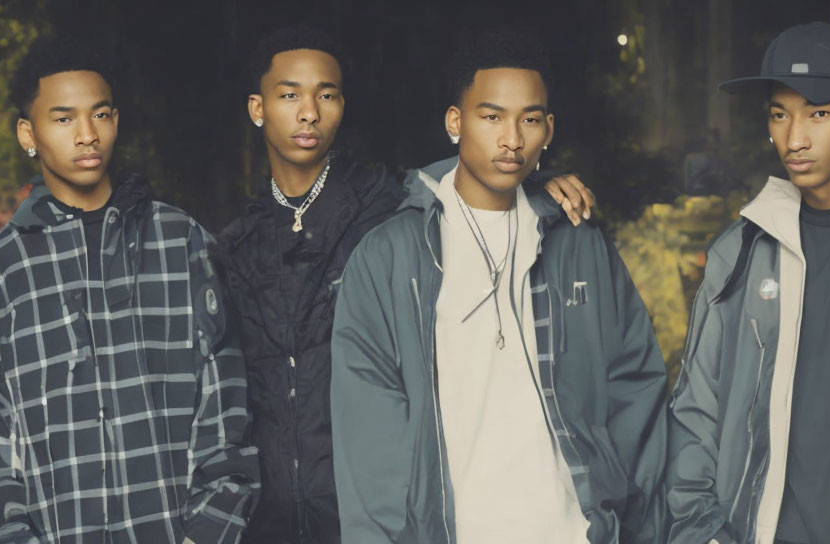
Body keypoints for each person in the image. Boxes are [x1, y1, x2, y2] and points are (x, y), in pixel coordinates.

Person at [220, 25, 596, 543]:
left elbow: (463, 187)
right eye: (289, 96)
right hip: (271, 519)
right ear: (258, 109)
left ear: (342, 105)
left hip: (373, 507)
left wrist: (534, 181)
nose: (309, 112)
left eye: (325, 95)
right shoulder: (234, 245)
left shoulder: (386, 208)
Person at [330, 27, 667, 543]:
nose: (512, 139)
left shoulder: (579, 246)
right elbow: (369, 439)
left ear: (548, 128)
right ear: (455, 121)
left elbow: (635, 390)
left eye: (529, 119)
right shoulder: (388, 257)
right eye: (491, 117)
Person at [0, 37, 259, 543]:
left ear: (116, 120)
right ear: (28, 134)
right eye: (63, 118)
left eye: (100, 114)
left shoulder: (181, 242)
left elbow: (225, 416)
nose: (86, 135)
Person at [667, 22, 830, 543]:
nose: (794, 138)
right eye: (780, 114)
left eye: (818, 113)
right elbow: (695, 416)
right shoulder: (743, 252)